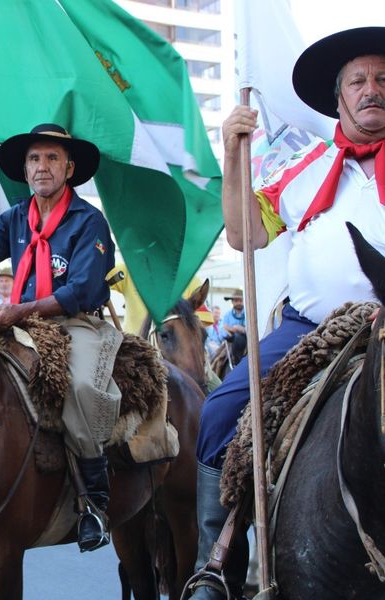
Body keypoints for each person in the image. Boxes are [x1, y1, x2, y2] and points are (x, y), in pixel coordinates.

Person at [188, 27, 385, 600]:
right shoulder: (303, 168)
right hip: (312, 331)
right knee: (221, 413)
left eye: (382, 79)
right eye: (359, 81)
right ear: (340, 97)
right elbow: (244, 234)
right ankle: (217, 566)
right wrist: (231, 155)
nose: (372, 89)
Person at [0, 123, 119, 553]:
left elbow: (79, 290)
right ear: (25, 169)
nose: (42, 166)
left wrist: (19, 310)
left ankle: (94, 501)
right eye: (34, 158)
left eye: (52, 158)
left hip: (75, 323)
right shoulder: (16, 216)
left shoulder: (89, 221)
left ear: (70, 168)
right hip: (19, 324)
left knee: (79, 386)